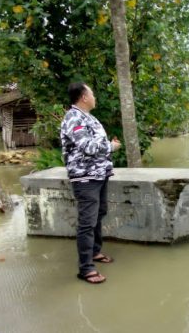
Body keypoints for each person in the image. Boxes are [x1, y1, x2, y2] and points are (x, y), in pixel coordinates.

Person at [61, 82, 121, 284]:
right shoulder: (73, 117)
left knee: (100, 212)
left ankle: (94, 252)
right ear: (84, 97)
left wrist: (107, 147)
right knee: (87, 222)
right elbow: (87, 146)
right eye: (92, 94)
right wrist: (111, 146)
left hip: (98, 174)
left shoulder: (89, 117)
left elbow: (94, 143)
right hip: (85, 177)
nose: (95, 97)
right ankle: (85, 268)